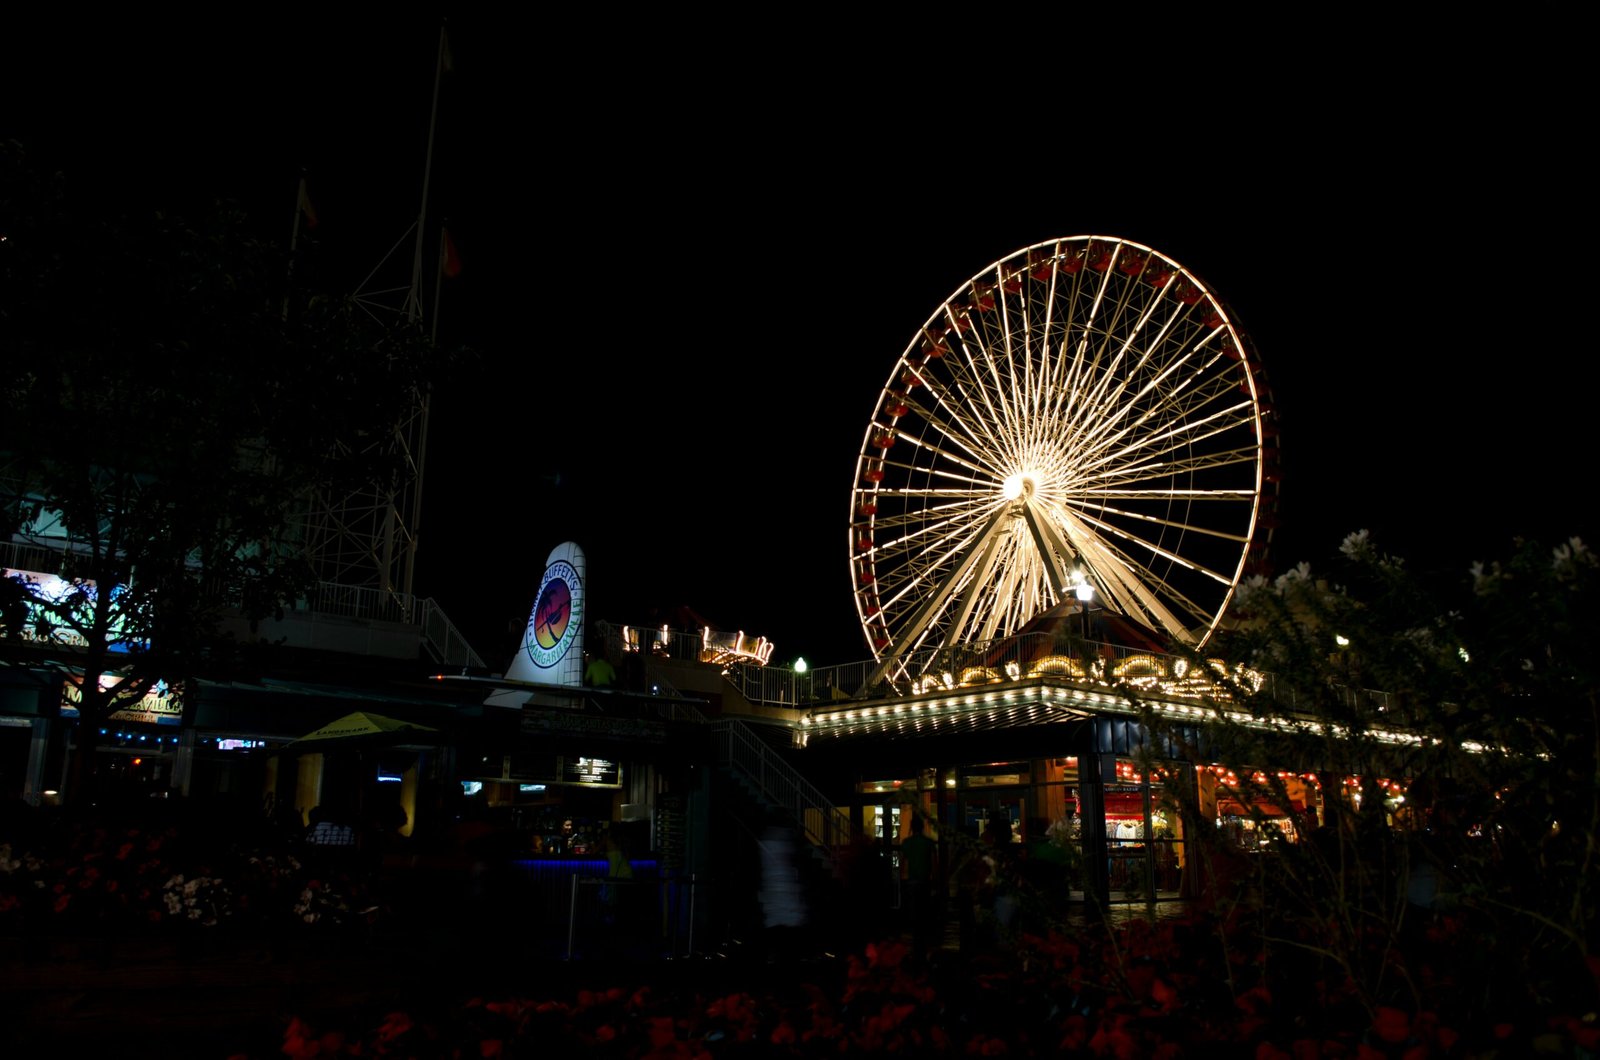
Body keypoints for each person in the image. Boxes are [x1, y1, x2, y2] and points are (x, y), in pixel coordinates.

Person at [900, 813, 940, 957]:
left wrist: (901, 879)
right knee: (924, 909)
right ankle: (923, 938)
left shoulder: (906, 843)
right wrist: (935, 881)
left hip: (912, 881)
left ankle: (916, 938)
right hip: (925, 881)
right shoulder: (929, 843)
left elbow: (903, 864)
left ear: (912, 827)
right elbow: (935, 865)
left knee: (914, 910)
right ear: (923, 827)